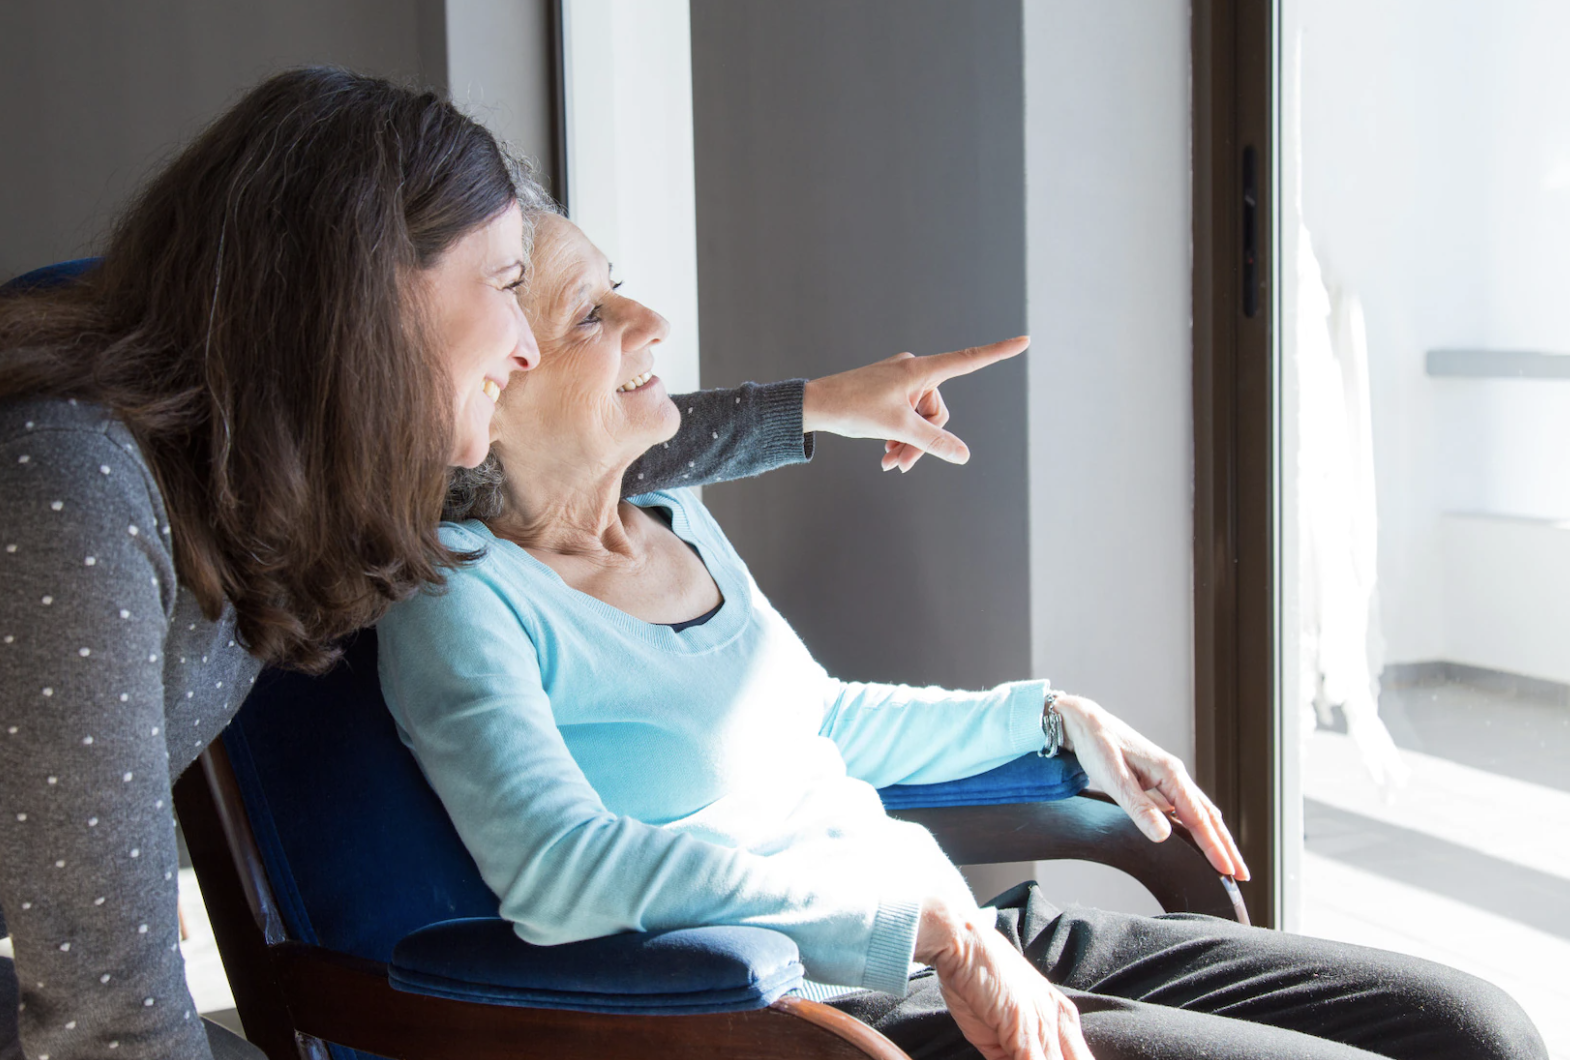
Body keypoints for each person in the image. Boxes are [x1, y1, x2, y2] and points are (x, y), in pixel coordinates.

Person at [0, 68, 975, 1060]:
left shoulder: (284, 466)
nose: (529, 347)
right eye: (501, 286)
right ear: (370, 293)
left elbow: (560, 441)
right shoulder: (63, 492)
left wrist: (813, 410)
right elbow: (111, 1022)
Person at [376, 208, 1548, 1060]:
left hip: (969, 932)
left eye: (618, 284)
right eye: (593, 313)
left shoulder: (671, 514)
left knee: (1478, 1029)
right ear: (492, 381)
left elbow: (818, 721)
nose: (651, 319)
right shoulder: (462, 601)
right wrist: (930, 930)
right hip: (833, 1010)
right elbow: (562, 877)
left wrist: (1052, 717)